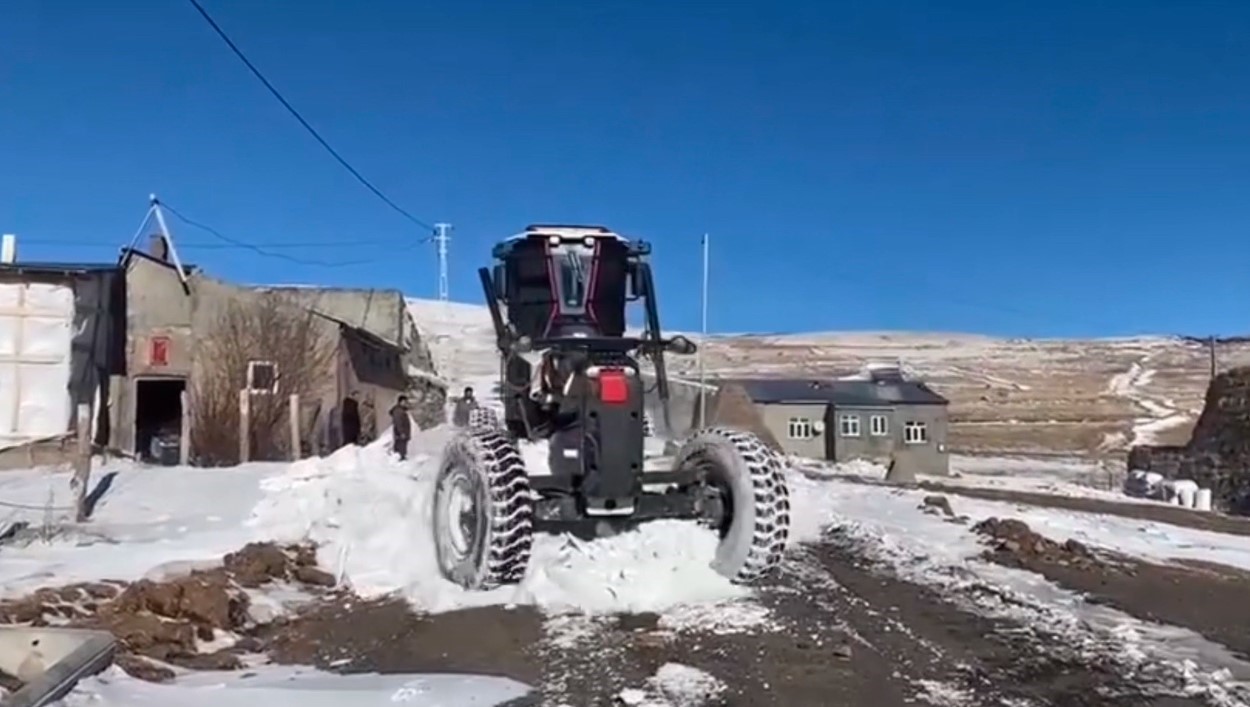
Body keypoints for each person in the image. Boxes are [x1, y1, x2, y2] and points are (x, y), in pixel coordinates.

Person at [389, 396, 412, 460]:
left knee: (402, 448)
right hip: (400, 434)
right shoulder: (398, 411)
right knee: (400, 448)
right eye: (404, 402)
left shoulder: (402, 410)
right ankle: (399, 460)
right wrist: (401, 432)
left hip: (403, 433)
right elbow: (398, 422)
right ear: (400, 402)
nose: (405, 403)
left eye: (406, 402)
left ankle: (401, 458)